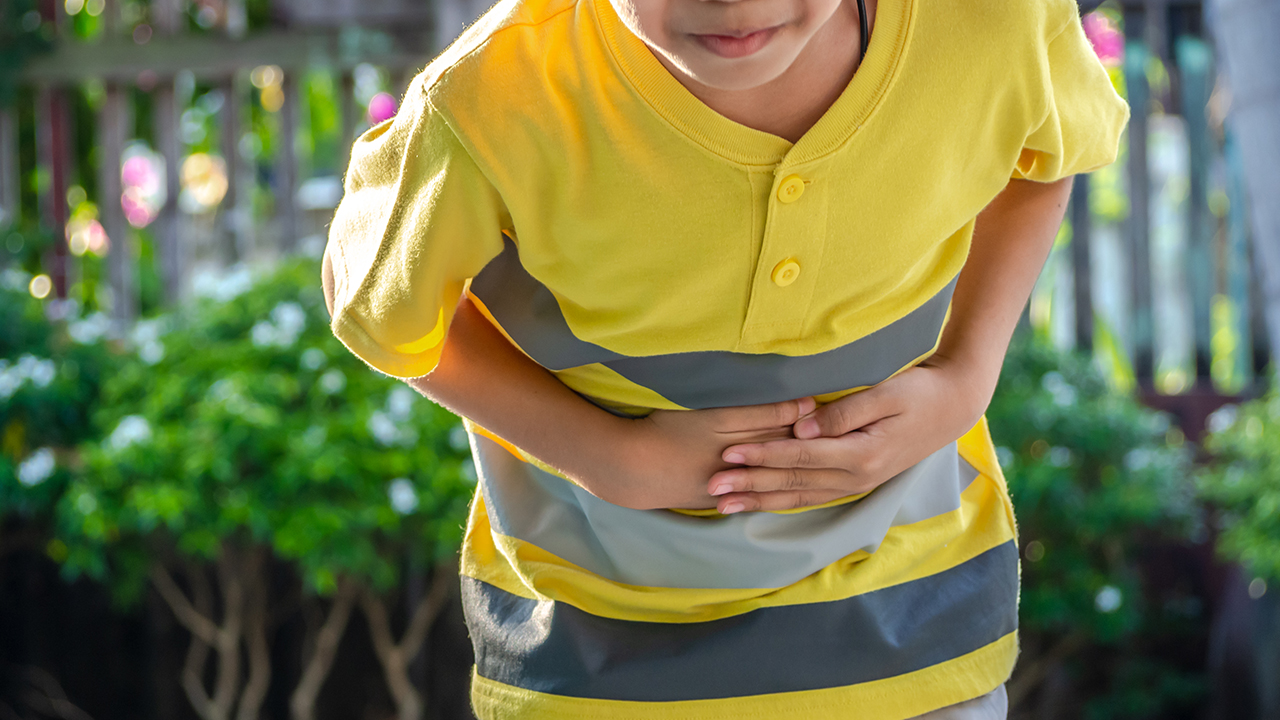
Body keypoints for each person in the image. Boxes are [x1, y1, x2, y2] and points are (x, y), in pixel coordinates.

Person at [321, 0, 1128, 713]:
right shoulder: (489, 100)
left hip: (914, 640)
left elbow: (1048, 153)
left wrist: (966, 378)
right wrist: (606, 454)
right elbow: (381, 314)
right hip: (600, 667)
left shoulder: (994, 20)